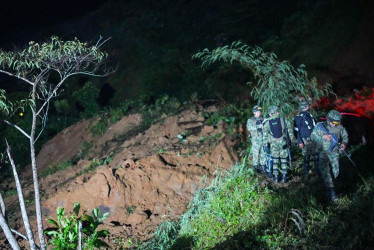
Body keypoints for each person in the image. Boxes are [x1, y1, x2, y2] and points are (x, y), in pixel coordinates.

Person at [310, 110, 349, 201]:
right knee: (325, 172)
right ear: (329, 119)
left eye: (338, 122)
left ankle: (337, 187)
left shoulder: (339, 127)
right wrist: (322, 137)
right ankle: (331, 191)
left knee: (336, 171)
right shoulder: (320, 126)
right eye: (334, 122)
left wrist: (344, 144)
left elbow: (345, 136)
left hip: (334, 153)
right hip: (323, 153)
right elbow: (312, 137)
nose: (336, 124)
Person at [262, 105, 295, 183]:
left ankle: (276, 177)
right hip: (283, 142)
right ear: (277, 112)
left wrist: (265, 144)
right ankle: (284, 177)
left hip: (273, 144)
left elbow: (264, 135)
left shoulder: (267, 122)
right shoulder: (283, 120)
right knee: (284, 160)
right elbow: (290, 131)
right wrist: (292, 140)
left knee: (275, 160)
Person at [293, 101, 320, 180]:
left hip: (314, 138)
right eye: (307, 106)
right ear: (305, 107)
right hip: (305, 140)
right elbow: (296, 131)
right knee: (306, 157)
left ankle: (318, 174)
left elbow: (315, 126)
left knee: (316, 156)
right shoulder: (298, 117)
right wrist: (299, 141)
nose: (309, 107)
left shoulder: (310, 115)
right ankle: (306, 174)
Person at [246, 105, 266, 174]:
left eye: (260, 111)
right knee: (256, 154)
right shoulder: (251, 120)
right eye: (258, 111)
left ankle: (263, 167)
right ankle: (256, 168)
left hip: (263, 139)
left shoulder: (263, 119)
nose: (260, 112)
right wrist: (258, 127)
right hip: (255, 140)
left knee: (263, 153)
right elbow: (249, 128)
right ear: (254, 112)